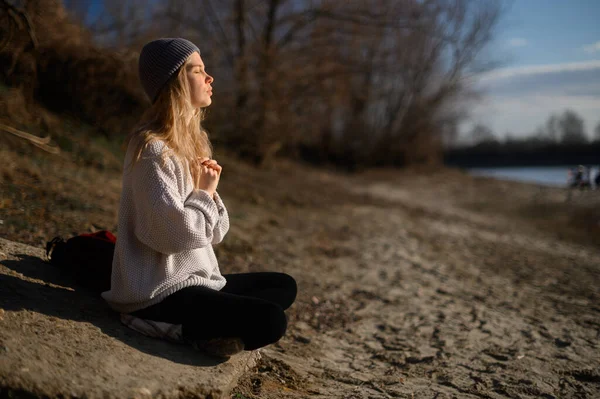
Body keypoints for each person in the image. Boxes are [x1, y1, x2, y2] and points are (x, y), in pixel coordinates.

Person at [101, 38, 297, 358]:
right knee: (271, 321)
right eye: (198, 71)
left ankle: (209, 326)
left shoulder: (192, 146)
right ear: (176, 82)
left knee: (283, 286)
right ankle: (163, 326)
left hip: (196, 279)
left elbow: (215, 233)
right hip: (158, 293)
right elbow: (172, 236)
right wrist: (204, 192)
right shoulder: (152, 150)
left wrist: (208, 193)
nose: (210, 78)